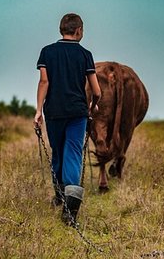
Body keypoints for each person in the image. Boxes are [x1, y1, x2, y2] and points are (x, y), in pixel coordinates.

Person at [34, 13, 101, 226]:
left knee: (58, 153)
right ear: (79, 30)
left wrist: (38, 111)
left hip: (53, 112)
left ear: (61, 29)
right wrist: (93, 105)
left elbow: (44, 81)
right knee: (72, 152)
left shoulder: (47, 52)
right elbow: (96, 90)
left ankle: (59, 195)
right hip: (77, 113)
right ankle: (70, 211)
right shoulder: (85, 55)